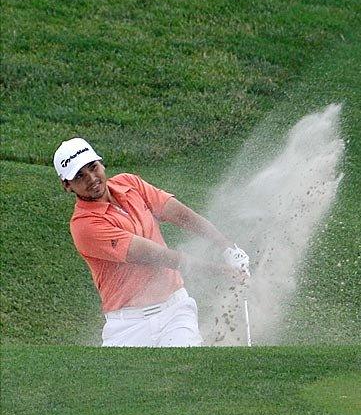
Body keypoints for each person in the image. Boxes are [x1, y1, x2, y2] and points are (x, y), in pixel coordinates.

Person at [53, 137, 250, 347]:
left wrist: (228, 247)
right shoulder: (84, 225)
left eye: (93, 167)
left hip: (175, 311)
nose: (92, 178)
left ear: (101, 164)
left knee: (184, 368)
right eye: (79, 176)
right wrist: (220, 271)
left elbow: (181, 215)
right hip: (127, 326)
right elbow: (155, 256)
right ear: (67, 185)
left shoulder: (129, 184)